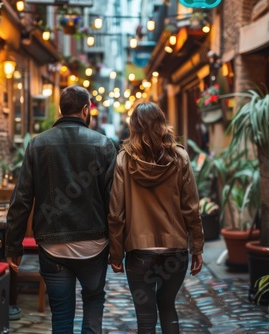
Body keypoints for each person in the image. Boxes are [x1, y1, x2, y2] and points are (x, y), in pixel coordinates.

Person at [5, 85, 117, 333]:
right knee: (93, 303)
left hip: (52, 246)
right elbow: (115, 202)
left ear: (60, 109)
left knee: (62, 318)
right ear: (86, 109)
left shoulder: (37, 145)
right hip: (94, 245)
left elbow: (22, 198)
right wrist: (118, 249)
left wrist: (13, 246)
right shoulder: (104, 145)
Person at [108, 102, 204, 334]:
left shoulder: (124, 160)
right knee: (168, 306)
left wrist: (116, 252)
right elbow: (191, 207)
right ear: (162, 123)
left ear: (134, 127)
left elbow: (116, 212)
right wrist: (197, 247)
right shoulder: (180, 157)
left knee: (145, 316)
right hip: (175, 250)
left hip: (139, 252)